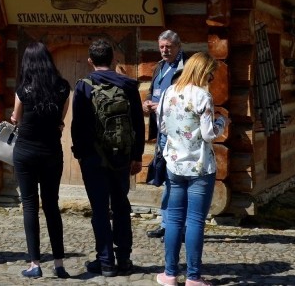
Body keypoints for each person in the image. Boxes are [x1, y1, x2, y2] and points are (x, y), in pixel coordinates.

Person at [71, 38, 145, 277]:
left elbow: (78, 126)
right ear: (114, 59)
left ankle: (105, 262)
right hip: (122, 156)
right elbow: (138, 123)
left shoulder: (83, 86)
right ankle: (124, 259)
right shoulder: (128, 85)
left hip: (94, 158)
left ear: (91, 61)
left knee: (100, 210)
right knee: (121, 206)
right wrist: (137, 155)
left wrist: (81, 155)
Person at [156, 52, 229, 286]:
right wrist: (222, 122)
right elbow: (208, 134)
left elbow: (163, 127)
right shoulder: (203, 96)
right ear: (203, 72)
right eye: (211, 74)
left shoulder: (169, 92)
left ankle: (169, 274)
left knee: (174, 220)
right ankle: (194, 277)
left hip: (175, 164)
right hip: (200, 166)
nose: (211, 78)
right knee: (195, 221)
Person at [10, 42, 71, 279]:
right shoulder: (63, 88)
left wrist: (17, 118)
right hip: (51, 153)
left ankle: (35, 264)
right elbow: (60, 120)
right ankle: (59, 264)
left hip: (25, 152)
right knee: (52, 206)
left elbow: (17, 118)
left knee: (29, 206)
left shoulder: (23, 90)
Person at [142, 30, 188, 239]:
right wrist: (147, 104)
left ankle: (177, 224)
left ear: (178, 46)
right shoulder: (160, 67)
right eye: (161, 47)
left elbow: (185, 100)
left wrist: (159, 105)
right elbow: (155, 92)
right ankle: (166, 222)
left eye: (168, 46)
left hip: (179, 132)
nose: (164, 50)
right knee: (167, 179)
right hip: (162, 132)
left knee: (177, 179)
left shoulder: (185, 68)